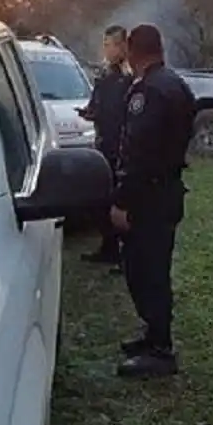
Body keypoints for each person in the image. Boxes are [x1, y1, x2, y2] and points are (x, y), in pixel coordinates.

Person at [110, 24, 196, 379]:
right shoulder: (176, 84)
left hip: (148, 197)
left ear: (132, 50)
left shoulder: (148, 92)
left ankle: (161, 350)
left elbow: (138, 153)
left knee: (146, 272)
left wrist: (122, 201)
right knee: (153, 269)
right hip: (166, 191)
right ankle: (153, 334)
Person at [77, 25, 132, 269]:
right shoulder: (105, 74)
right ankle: (108, 246)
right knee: (98, 199)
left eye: (111, 44)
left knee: (123, 202)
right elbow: (98, 105)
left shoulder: (130, 78)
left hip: (122, 148)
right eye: (105, 44)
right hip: (103, 145)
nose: (107, 50)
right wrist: (90, 113)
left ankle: (126, 254)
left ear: (122, 46)